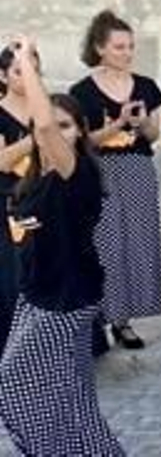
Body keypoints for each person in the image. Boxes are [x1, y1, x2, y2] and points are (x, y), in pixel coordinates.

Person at [0, 36, 123, 455]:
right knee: (68, 397)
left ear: (80, 132)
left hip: (65, 299)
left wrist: (24, 61)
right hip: (36, 295)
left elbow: (46, 125)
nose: (53, 132)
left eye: (67, 126)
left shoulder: (79, 178)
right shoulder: (35, 179)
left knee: (19, 385)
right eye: (49, 126)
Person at [68, 10, 161, 351]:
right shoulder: (81, 91)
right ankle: (101, 318)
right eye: (120, 47)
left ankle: (125, 320)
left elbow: (153, 134)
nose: (127, 53)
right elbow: (81, 142)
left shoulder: (146, 86)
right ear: (100, 48)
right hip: (101, 172)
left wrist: (139, 125)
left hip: (137, 168)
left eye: (130, 46)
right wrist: (117, 123)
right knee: (106, 244)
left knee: (137, 241)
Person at [0, 45, 36, 356]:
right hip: (11, 202)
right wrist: (34, 139)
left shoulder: (49, 109)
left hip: (47, 200)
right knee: (15, 276)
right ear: (4, 75)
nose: (27, 77)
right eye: (18, 71)